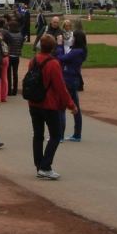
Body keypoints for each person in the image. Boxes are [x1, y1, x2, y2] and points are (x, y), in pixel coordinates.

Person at [27, 34, 77, 180]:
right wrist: (71, 105)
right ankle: (45, 166)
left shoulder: (33, 60)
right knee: (55, 135)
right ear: (53, 47)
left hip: (34, 102)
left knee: (38, 135)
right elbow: (60, 87)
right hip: (49, 104)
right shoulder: (53, 63)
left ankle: (39, 165)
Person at [56, 29, 87, 142]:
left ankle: (60, 136)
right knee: (75, 108)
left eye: (73, 37)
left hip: (68, 80)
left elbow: (61, 58)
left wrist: (59, 46)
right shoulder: (80, 50)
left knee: (61, 108)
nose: (71, 39)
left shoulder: (76, 51)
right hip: (73, 79)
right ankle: (77, 134)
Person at [4, 19, 24, 96]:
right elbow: (21, 45)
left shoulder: (8, 34)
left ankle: (9, 90)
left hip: (9, 55)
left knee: (8, 74)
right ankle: (15, 90)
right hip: (17, 55)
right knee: (15, 73)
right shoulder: (20, 35)